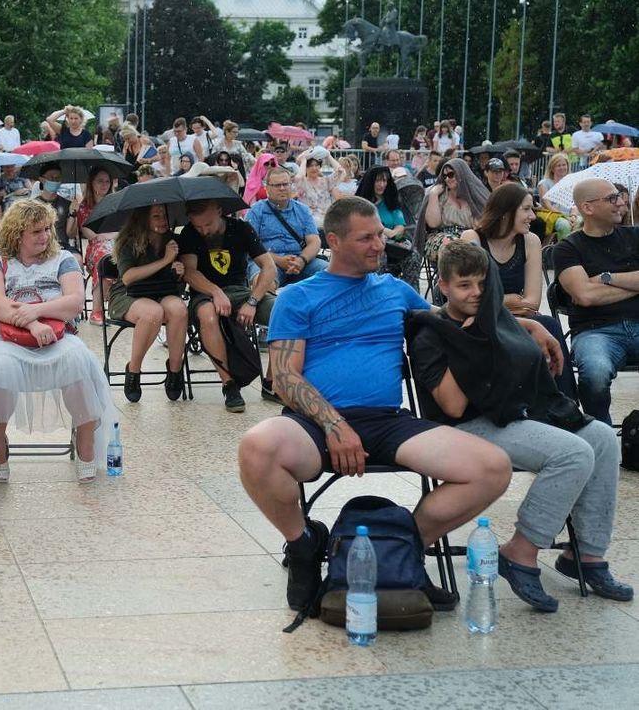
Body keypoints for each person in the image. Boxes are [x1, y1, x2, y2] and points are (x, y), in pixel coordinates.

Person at [238, 198, 544, 614]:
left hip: (386, 420)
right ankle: (304, 543)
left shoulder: (395, 290)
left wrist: (525, 327)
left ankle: (400, 551)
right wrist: (334, 425)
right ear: (334, 240)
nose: (379, 245)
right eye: (366, 238)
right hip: (313, 423)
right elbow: (285, 377)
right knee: (257, 446)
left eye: (380, 235)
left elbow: (454, 321)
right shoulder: (297, 297)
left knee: (492, 469)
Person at [411, 241, 631, 612]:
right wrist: (478, 343)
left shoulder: (496, 320)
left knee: (601, 437)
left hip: (508, 415)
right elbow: (454, 406)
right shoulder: (431, 335)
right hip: (461, 429)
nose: (477, 293)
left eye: (483, 284)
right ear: (443, 287)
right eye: (465, 285)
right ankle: (521, 551)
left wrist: (523, 327)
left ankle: (587, 555)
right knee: (572, 453)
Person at [0, 199, 111, 482]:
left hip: (59, 336)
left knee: (80, 360)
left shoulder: (63, 259)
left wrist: (38, 310)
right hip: (8, 340)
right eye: (36, 231)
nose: (45, 236)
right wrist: (32, 323)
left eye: (47, 229)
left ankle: (85, 443)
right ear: (17, 234)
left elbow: (73, 302)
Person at [461, 183, 575, 395]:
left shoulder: (530, 241)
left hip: (514, 318)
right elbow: (472, 300)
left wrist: (497, 300)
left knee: (548, 324)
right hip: (481, 322)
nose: (533, 216)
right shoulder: (472, 239)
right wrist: (512, 301)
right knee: (540, 326)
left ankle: (565, 401)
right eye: (526, 209)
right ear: (505, 212)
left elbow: (532, 301)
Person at [553, 178, 639, 424]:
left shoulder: (635, 236)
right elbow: (584, 296)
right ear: (587, 208)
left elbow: (591, 291)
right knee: (595, 374)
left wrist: (606, 278)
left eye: (620, 196)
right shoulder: (568, 248)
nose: (621, 202)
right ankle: (600, 436)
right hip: (596, 332)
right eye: (612, 198)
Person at [179, 197, 277, 412]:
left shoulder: (241, 228)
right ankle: (229, 384)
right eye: (198, 226)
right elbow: (190, 272)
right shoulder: (189, 233)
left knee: (282, 312)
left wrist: (253, 300)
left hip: (241, 291)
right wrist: (215, 291)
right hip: (204, 293)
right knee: (207, 315)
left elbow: (269, 267)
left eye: (208, 224)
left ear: (219, 211)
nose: (203, 231)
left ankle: (271, 382)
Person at [106, 204, 188, 402]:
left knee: (179, 309)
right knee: (153, 313)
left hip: (161, 292)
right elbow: (127, 277)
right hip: (128, 295)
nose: (162, 221)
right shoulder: (129, 242)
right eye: (156, 216)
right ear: (144, 219)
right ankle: (133, 370)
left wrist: (179, 270)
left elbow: (178, 282)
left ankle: (175, 369)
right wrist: (165, 260)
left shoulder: (173, 241)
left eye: (165, 215)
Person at [245, 167, 328, 286]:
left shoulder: (302, 210)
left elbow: (314, 241)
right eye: (277, 185)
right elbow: (250, 246)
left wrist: (302, 260)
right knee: (263, 283)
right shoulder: (256, 211)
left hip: (300, 261)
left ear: (291, 185)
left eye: (285, 184)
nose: (282, 188)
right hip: (267, 260)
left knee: (332, 275)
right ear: (267, 187)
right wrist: (278, 260)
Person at [414, 157, 488, 268]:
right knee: (454, 246)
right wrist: (433, 195)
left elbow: (482, 223)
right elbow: (433, 223)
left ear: (461, 174)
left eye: (451, 174)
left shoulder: (474, 196)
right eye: (444, 176)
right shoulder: (440, 195)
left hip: (468, 238)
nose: (447, 179)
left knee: (471, 245)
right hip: (440, 237)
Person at [356, 165, 416, 282]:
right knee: (379, 253)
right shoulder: (361, 203)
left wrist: (393, 233)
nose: (382, 184)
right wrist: (385, 231)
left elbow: (400, 226)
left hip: (393, 242)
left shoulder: (391, 200)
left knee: (413, 255)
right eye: (378, 180)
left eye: (384, 180)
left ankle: (409, 291)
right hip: (371, 241)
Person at [72, 167, 118, 324]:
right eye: (100, 181)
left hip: (116, 244)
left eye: (107, 181)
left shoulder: (116, 203)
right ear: (91, 183)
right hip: (96, 248)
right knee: (105, 259)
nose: (104, 184)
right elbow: (87, 232)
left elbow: (124, 228)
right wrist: (105, 237)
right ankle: (96, 311)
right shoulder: (85, 206)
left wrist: (110, 235)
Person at [293, 147, 340, 226]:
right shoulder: (302, 182)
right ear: (306, 167)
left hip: (326, 221)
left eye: (316, 165)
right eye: (310, 166)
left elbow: (341, 172)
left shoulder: (326, 181)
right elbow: (299, 177)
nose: (314, 168)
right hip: (308, 222)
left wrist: (328, 155)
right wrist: (304, 160)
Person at [536, 153, 575, 241]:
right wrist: (565, 217)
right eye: (559, 165)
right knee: (564, 225)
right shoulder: (544, 183)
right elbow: (548, 205)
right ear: (552, 168)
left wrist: (573, 216)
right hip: (553, 215)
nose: (562, 168)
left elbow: (574, 204)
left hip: (570, 214)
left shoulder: (570, 184)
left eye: (564, 165)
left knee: (581, 222)